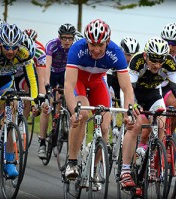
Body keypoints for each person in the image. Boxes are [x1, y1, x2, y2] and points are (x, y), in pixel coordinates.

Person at [63, 19, 141, 190]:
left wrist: (128, 114)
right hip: (79, 83)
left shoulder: (115, 52)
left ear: (108, 40)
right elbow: (68, 85)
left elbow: (127, 88)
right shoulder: (77, 49)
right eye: (92, 44)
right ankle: (72, 161)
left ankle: (95, 167)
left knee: (105, 127)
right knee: (82, 114)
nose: (96, 49)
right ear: (86, 41)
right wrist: (73, 112)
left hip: (99, 82)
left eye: (100, 45)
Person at [121, 36, 176, 189]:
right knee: (135, 124)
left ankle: (152, 162)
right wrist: (133, 107)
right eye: (154, 60)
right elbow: (128, 88)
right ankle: (125, 170)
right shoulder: (137, 61)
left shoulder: (170, 63)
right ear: (146, 56)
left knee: (161, 124)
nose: (157, 65)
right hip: (134, 92)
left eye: (161, 61)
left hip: (153, 93)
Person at [0, 23, 38, 176]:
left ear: (20, 45)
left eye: (14, 47)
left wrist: (33, 101)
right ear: (0, 44)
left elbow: (32, 78)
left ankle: (9, 161)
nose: (11, 51)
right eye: (7, 47)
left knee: (11, 113)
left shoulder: (24, 53)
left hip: (6, 80)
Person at [37, 23, 76, 159]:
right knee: (47, 107)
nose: (67, 41)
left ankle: (58, 123)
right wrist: (47, 85)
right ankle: (42, 142)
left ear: (73, 38)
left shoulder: (74, 47)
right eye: (64, 38)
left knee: (62, 100)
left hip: (65, 74)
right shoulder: (52, 45)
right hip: (52, 75)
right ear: (59, 37)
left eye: (70, 38)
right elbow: (47, 66)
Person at [107, 36, 140, 107]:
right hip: (113, 83)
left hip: (124, 85)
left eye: (134, 55)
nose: (131, 58)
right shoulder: (114, 59)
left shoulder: (136, 66)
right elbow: (107, 82)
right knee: (109, 100)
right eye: (128, 55)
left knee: (126, 105)